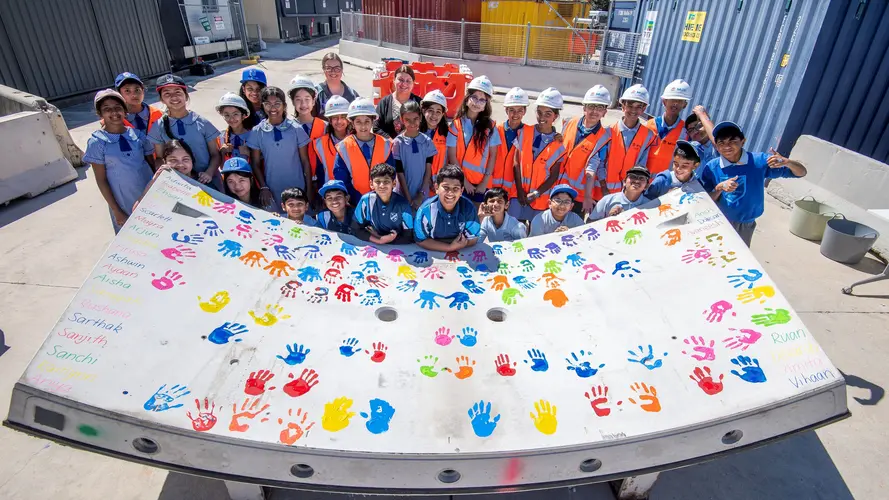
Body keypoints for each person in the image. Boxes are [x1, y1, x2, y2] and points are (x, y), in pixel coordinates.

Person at [698, 121, 807, 247]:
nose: (727, 146)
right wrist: (719, 188)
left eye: (732, 141)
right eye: (721, 143)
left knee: (738, 257)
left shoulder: (759, 161)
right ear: (716, 146)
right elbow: (704, 199)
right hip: (718, 220)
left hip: (745, 223)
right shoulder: (711, 167)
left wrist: (787, 162)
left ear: (743, 141)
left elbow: (801, 172)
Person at [83, 89, 155, 233]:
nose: (114, 113)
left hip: (149, 196)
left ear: (125, 111)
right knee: (132, 239)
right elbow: (101, 180)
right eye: (107, 109)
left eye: (118, 108)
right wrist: (116, 210)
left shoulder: (138, 135)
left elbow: (152, 166)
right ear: (100, 114)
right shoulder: (97, 142)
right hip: (123, 202)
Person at [148, 75, 222, 189]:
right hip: (178, 184)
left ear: (186, 96)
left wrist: (209, 173)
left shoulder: (202, 122)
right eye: (167, 94)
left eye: (178, 92)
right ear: (162, 99)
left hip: (207, 181)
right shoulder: (158, 126)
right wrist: (164, 171)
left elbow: (215, 154)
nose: (173, 97)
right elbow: (159, 157)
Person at [247, 86, 314, 211]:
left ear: (284, 105)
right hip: (272, 190)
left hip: (297, 188)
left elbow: (305, 161)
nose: (273, 108)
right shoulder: (257, 131)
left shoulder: (296, 129)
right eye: (268, 104)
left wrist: (309, 190)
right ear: (262, 105)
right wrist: (263, 187)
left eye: (277, 103)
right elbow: (255, 163)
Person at [510, 87, 566, 223]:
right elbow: (516, 164)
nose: (542, 118)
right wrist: (519, 190)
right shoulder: (524, 132)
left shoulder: (558, 144)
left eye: (548, 114)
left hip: (540, 199)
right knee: (513, 232)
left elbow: (553, 176)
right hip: (518, 195)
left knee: (534, 235)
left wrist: (536, 194)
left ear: (555, 116)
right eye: (539, 113)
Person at [558, 85, 613, 217]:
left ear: (605, 112)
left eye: (600, 108)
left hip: (578, 195)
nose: (595, 111)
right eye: (591, 106)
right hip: (558, 187)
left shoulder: (603, 137)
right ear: (584, 108)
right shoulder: (569, 123)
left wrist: (587, 197)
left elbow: (592, 168)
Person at [447, 75, 500, 204]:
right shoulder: (456, 125)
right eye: (474, 97)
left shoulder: (491, 127)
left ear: (486, 105)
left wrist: (484, 183)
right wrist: (465, 181)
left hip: (481, 185)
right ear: (467, 99)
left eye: (482, 100)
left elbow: (493, 156)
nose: (477, 102)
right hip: (459, 182)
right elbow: (452, 156)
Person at [334, 98, 393, 202]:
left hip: (382, 200)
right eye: (358, 122)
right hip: (354, 202)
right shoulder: (344, 147)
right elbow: (341, 178)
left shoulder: (385, 144)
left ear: (373, 121)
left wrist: (380, 197)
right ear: (352, 122)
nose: (363, 126)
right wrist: (359, 199)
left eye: (367, 121)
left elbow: (391, 174)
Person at [603, 84, 657, 195]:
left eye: (638, 107)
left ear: (644, 109)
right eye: (630, 105)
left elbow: (642, 165)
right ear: (623, 106)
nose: (633, 110)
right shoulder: (608, 132)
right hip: (603, 191)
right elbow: (601, 163)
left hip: (628, 193)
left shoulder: (648, 135)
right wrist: (603, 187)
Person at [414, 164, 481, 252]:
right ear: (436, 188)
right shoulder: (425, 211)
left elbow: (473, 239)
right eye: (446, 187)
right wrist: (449, 248)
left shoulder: (468, 208)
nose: (450, 193)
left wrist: (459, 245)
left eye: (455, 188)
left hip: (461, 253)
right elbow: (420, 240)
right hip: (433, 253)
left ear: (461, 191)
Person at [132, 140, 199, 212]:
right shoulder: (159, 183)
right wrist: (154, 181)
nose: (180, 164)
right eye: (173, 160)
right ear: (164, 162)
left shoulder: (201, 182)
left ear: (192, 160)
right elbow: (136, 210)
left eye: (185, 159)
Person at [355, 164, 414, 245]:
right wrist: (378, 240)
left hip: (397, 248)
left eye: (386, 181)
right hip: (374, 245)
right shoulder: (366, 200)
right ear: (371, 184)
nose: (382, 185)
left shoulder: (403, 204)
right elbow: (355, 228)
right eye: (378, 182)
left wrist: (383, 238)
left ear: (394, 183)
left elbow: (408, 236)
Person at [393, 101, 436, 210]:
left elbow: (428, 170)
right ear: (402, 120)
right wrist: (408, 199)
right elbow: (399, 172)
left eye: (415, 119)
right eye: (407, 120)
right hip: (403, 196)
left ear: (421, 117)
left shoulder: (427, 142)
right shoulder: (398, 143)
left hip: (422, 196)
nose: (412, 123)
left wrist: (421, 195)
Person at [645, 79, 691, 175]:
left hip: (667, 184)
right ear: (664, 101)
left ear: (685, 105)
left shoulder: (685, 131)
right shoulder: (649, 125)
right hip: (643, 180)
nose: (675, 103)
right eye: (672, 99)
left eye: (680, 101)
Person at [493, 87, 532, 192]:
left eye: (520, 110)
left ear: (524, 111)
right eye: (512, 110)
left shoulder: (529, 133)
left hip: (514, 191)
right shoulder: (496, 130)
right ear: (506, 110)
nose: (515, 114)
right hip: (493, 187)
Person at [289, 75, 327, 176]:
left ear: (313, 101)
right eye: (298, 100)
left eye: (307, 99)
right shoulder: (288, 128)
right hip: (297, 178)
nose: (303, 104)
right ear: (292, 101)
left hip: (321, 178)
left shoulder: (325, 127)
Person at [374, 65, 422, 139]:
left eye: (408, 81)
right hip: (389, 147)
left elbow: (426, 127)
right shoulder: (384, 102)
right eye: (401, 79)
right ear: (394, 80)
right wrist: (391, 142)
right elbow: (375, 127)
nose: (404, 84)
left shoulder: (419, 103)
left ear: (413, 83)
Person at [314, 95, 351, 184]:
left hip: (354, 191)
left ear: (348, 119)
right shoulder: (319, 144)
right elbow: (320, 173)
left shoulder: (357, 140)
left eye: (343, 117)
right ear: (329, 120)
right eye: (335, 117)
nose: (339, 121)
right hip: (331, 193)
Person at [313, 53, 360, 119]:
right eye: (328, 68)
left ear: (342, 69)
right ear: (323, 70)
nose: (333, 72)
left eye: (337, 68)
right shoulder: (316, 94)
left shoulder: (353, 94)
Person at [114, 72, 162, 137]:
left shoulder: (157, 114)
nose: (134, 95)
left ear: (143, 91)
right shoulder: (115, 120)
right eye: (127, 91)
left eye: (137, 90)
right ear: (119, 94)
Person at [420, 90, 450, 189]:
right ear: (423, 110)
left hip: (439, 185)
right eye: (430, 110)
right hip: (419, 184)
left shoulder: (448, 134)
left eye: (438, 112)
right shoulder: (415, 133)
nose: (434, 115)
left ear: (443, 114)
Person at [216, 93, 252, 162]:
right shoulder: (220, 138)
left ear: (244, 115)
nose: (231, 119)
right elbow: (220, 166)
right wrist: (222, 153)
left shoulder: (254, 136)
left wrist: (251, 154)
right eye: (227, 115)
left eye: (235, 114)